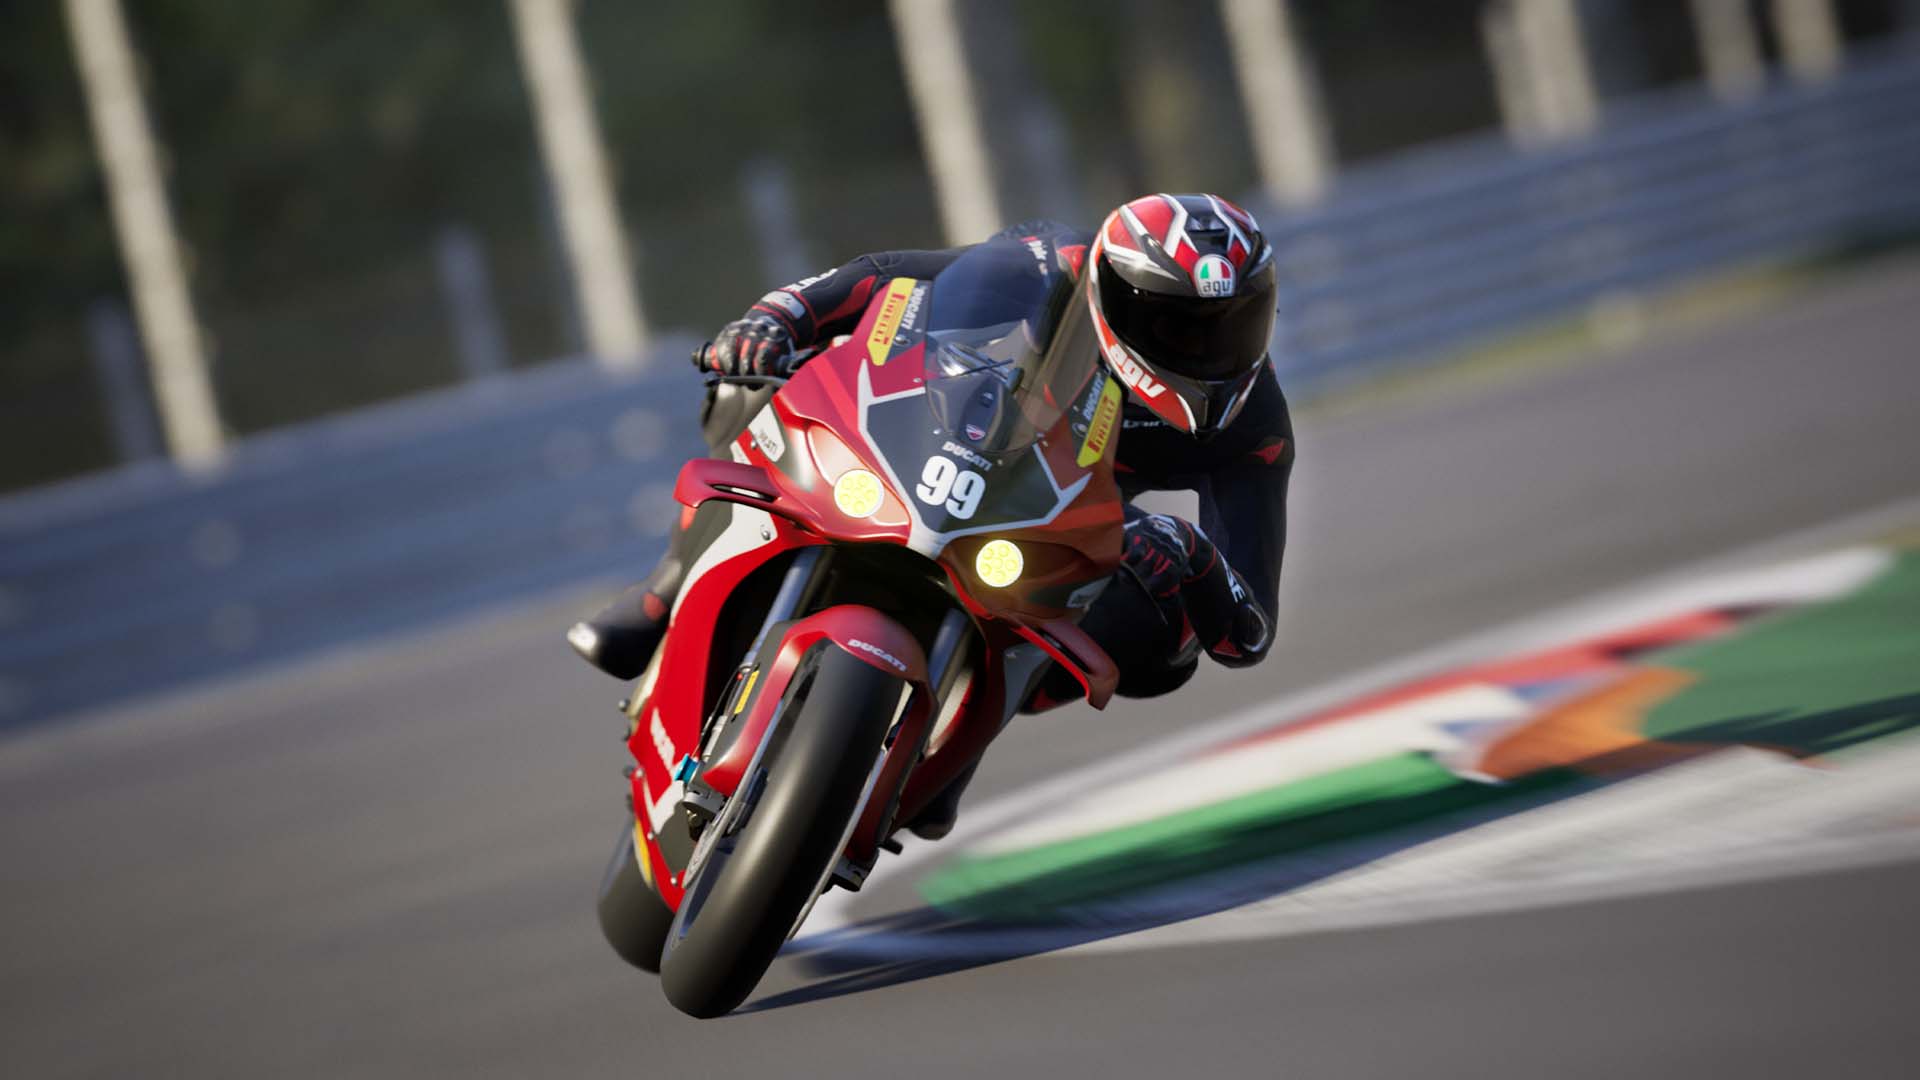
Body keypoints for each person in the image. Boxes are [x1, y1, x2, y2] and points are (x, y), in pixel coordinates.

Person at [567, 193, 1294, 836]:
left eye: (1233, 325)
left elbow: (1248, 633)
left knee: (1166, 639)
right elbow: (886, 275)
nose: (1206, 351)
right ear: (1112, 292)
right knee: (753, 383)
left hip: (1063, 530)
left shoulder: (1252, 427)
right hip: (958, 440)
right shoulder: (1049, 266)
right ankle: (664, 587)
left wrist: (1192, 557)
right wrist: (778, 319)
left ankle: (951, 745)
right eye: (1175, 327)